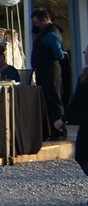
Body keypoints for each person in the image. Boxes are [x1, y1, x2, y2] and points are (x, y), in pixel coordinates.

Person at [30, 9, 68, 138]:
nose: (36, 25)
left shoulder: (51, 33)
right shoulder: (44, 32)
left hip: (50, 72)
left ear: (45, 20)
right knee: (46, 99)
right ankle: (50, 130)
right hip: (43, 71)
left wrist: (62, 56)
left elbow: (58, 54)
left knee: (54, 100)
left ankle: (60, 130)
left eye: (37, 22)